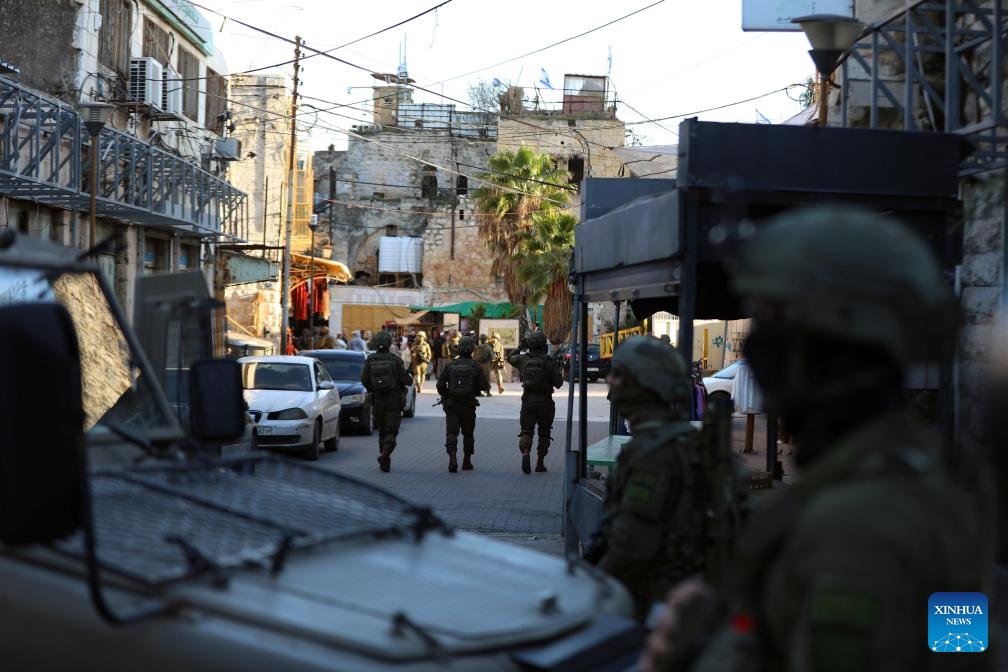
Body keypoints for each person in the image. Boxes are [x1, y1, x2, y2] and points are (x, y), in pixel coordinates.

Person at [641, 206, 994, 671]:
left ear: (826, 344)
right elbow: (955, 645)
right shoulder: (926, 472)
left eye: (769, 323)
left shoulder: (857, 526)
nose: (755, 348)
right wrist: (725, 623)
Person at [582, 336, 721, 622]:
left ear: (642, 384)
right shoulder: (679, 439)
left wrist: (590, 594)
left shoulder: (653, 454)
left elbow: (630, 546)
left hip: (654, 601)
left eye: (618, 374)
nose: (609, 381)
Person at [507, 330, 563, 474]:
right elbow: (559, 383)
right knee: (544, 433)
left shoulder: (523, 359)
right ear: (544, 344)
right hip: (545, 403)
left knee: (526, 430)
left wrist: (520, 346)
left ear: (530, 344)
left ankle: (526, 452)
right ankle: (540, 462)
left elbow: (510, 358)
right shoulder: (550, 361)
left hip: (528, 402)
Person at [436, 335, 490, 473]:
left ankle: (452, 459)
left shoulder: (451, 365)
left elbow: (440, 384)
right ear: (472, 349)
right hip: (468, 405)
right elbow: (485, 386)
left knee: (451, 432)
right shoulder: (475, 366)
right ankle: (466, 461)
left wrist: (446, 395)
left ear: (458, 348)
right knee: (468, 434)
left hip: (452, 405)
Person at [360, 330, 412, 472]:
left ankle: (384, 459)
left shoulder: (370, 359)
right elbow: (407, 380)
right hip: (393, 400)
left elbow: (364, 380)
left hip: (378, 400)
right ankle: (385, 455)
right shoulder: (395, 360)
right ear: (389, 344)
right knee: (392, 431)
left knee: (382, 431)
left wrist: (374, 389)